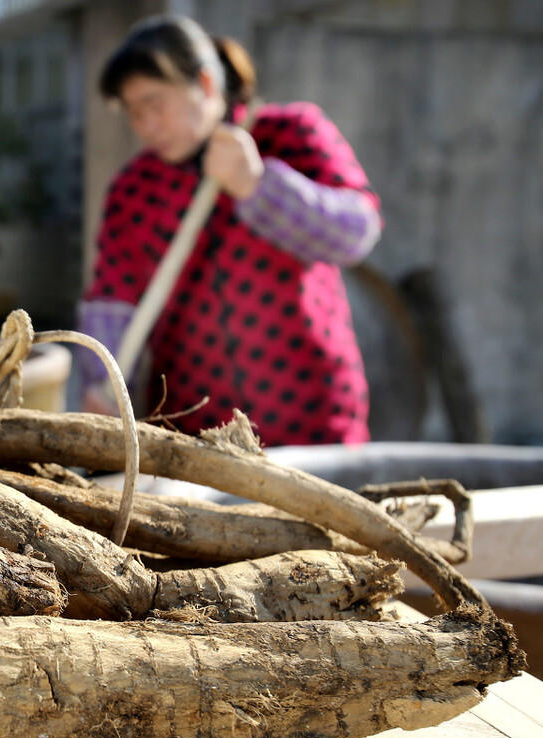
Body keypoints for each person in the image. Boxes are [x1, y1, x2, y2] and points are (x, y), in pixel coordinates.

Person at [77, 14, 379, 446]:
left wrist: (259, 186)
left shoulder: (290, 133)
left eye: (154, 104)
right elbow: (112, 298)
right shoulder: (134, 187)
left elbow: (357, 232)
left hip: (310, 416)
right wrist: (100, 383)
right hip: (192, 428)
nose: (145, 125)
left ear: (204, 83)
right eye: (133, 112)